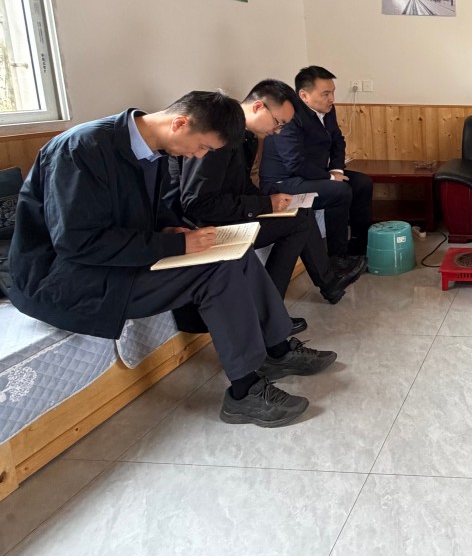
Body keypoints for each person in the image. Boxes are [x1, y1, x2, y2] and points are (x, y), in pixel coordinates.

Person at [8, 92, 336, 427]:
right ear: (180, 123)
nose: (200, 155)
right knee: (215, 271)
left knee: (237, 252)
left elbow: (148, 212)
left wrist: (172, 228)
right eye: (203, 146)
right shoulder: (80, 150)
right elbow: (76, 242)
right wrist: (174, 245)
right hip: (68, 278)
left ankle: (277, 349)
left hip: (117, 260)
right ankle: (244, 393)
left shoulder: (153, 151)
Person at [170, 80, 366, 316]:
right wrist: (264, 204)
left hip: (228, 211)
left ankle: (301, 298)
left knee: (299, 212)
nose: (278, 131)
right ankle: (273, 312)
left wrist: (271, 201)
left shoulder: (246, 137)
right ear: (258, 107)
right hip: (205, 224)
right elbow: (197, 204)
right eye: (278, 122)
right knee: (299, 222)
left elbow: (241, 185)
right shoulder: (217, 136)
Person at [259, 66, 373, 266]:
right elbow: (295, 163)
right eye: (326, 94)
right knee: (339, 191)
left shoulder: (327, 110)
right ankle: (337, 258)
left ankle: (359, 247)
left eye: (333, 92)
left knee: (362, 183)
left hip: (314, 175)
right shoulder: (289, 116)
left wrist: (336, 169)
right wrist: (330, 178)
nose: (332, 99)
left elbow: (338, 141)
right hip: (284, 182)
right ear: (304, 95)